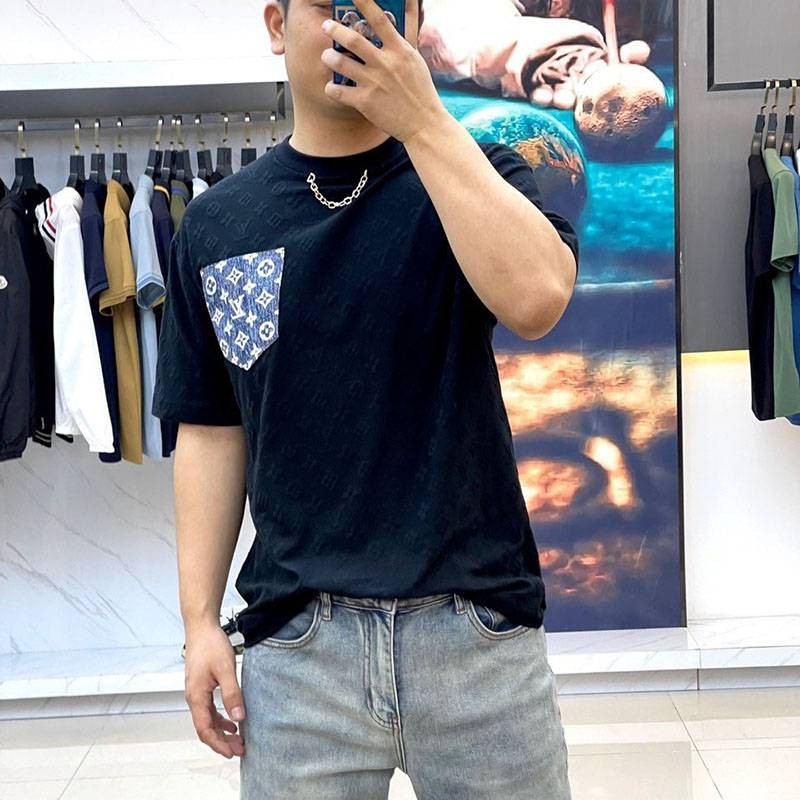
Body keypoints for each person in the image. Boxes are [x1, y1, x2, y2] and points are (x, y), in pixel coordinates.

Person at [151, 0, 579, 797]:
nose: (354, 26)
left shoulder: (478, 174)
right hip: (298, 653)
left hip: (477, 637)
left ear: (415, 29)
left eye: (383, 6)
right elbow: (210, 428)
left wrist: (424, 120)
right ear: (276, 26)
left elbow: (538, 298)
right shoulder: (216, 223)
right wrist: (198, 623)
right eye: (329, 5)